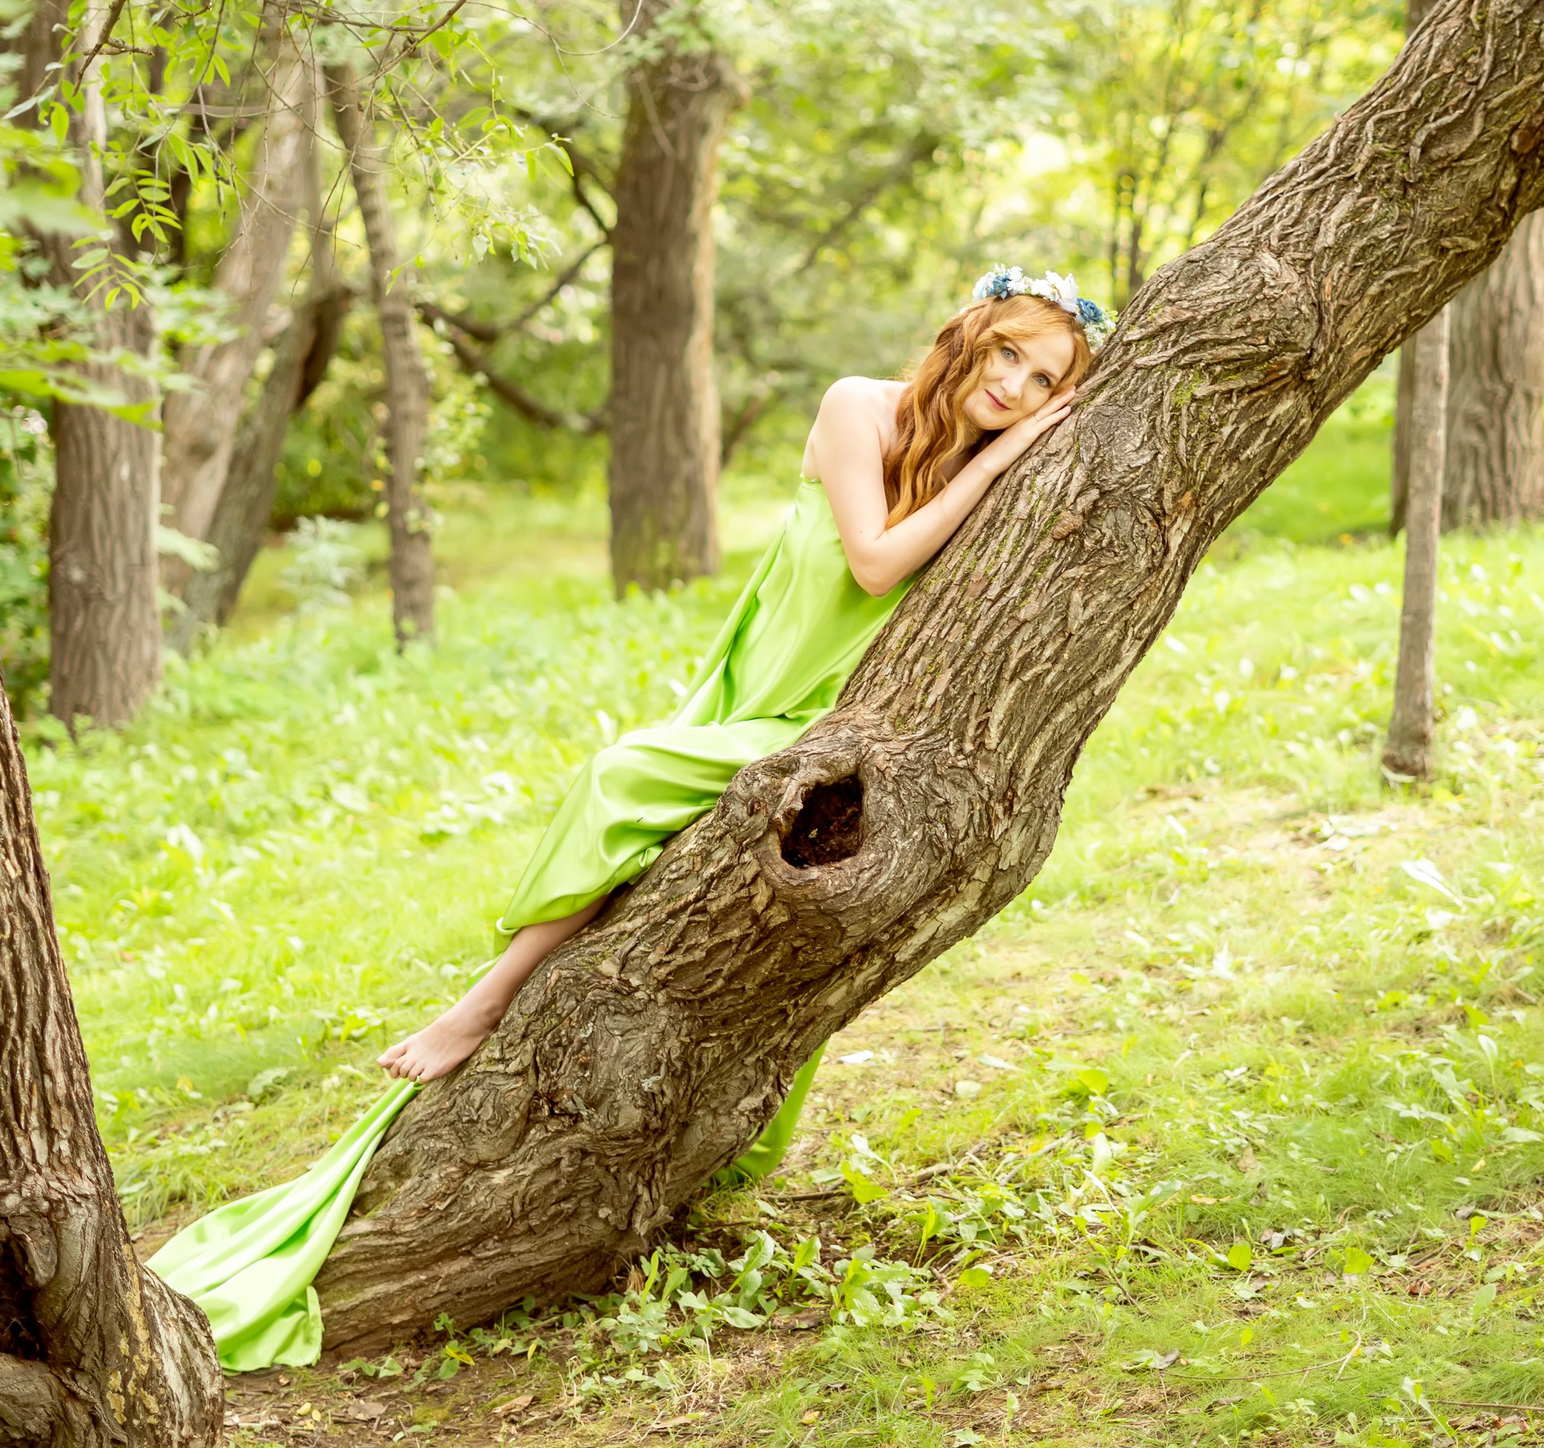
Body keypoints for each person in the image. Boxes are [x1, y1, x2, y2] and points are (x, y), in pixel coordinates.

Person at [147, 266, 1113, 1371]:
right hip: (749, 704)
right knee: (623, 777)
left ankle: (645, 1100)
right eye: (1011, 355)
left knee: (659, 799)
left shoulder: (987, 471)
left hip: (829, 724)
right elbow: (873, 557)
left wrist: (997, 465)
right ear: (973, 332)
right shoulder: (860, 407)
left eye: (1043, 382)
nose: (1019, 387)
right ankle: (486, 1001)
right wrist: (999, 460)